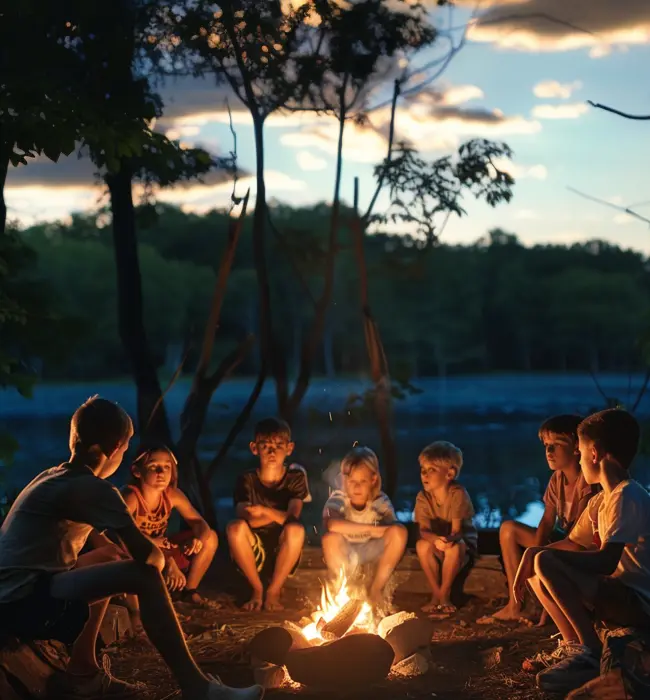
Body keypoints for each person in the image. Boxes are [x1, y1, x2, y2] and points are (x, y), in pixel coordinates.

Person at [0, 395, 263, 700]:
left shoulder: (50, 476)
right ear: (115, 450)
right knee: (143, 575)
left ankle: (84, 672)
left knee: (111, 560)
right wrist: (165, 559)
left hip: (15, 590)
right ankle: (198, 688)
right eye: (125, 449)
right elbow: (150, 558)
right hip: (21, 602)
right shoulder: (95, 489)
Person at [513, 408, 650, 695]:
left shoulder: (628, 495)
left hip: (637, 601)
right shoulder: (601, 500)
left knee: (546, 561)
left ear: (595, 453)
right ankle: (574, 646)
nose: (580, 456)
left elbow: (607, 560)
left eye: (581, 449)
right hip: (614, 594)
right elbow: (573, 543)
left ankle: (589, 650)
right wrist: (532, 554)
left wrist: (543, 557)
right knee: (539, 568)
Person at [483, 414, 596, 623]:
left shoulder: (587, 481)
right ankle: (515, 604)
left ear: (577, 447)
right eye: (546, 445)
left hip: (580, 546)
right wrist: (534, 550)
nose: (549, 451)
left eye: (557, 444)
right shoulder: (557, 479)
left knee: (542, 554)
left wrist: (538, 554)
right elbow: (546, 520)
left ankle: (549, 605)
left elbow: (579, 536)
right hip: (561, 541)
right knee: (508, 528)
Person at [227, 417, 308, 612]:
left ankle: (273, 591)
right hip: (252, 547)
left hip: (283, 545)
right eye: (266, 446)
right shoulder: (246, 479)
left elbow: (292, 518)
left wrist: (263, 511)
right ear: (254, 448)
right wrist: (278, 516)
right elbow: (248, 520)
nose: (272, 452)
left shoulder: (295, 478)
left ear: (289, 448)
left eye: (279, 446)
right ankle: (257, 589)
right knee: (235, 527)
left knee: (296, 530)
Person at [123, 443, 219, 606]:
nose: (161, 473)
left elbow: (199, 523)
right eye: (154, 466)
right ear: (137, 471)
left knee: (211, 538)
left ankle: (189, 591)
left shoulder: (172, 495)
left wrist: (198, 540)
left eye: (167, 467)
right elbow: (121, 534)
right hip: (138, 551)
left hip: (162, 547)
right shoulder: (131, 497)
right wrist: (169, 561)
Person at [321, 446, 407, 605]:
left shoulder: (380, 501)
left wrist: (380, 532)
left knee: (400, 533)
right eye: (352, 481)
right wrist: (375, 530)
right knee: (330, 539)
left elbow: (394, 532)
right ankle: (343, 589)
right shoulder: (339, 498)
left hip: (372, 552)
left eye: (362, 481)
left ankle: (376, 590)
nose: (357, 487)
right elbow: (332, 525)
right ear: (345, 480)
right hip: (345, 552)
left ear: (373, 479)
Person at [414, 441, 477, 616]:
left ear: (450, 473)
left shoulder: (457, 493)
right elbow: (424, 530)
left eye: (431, 470)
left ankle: (445, 596)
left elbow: (457, 532)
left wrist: (446, 541)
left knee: (455, 548)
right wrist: (435, 540)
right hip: (437, 543)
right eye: (423, 470)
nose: (425, 475)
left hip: (459, 545)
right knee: (421, 545)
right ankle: (437, 595)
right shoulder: (423, 497)